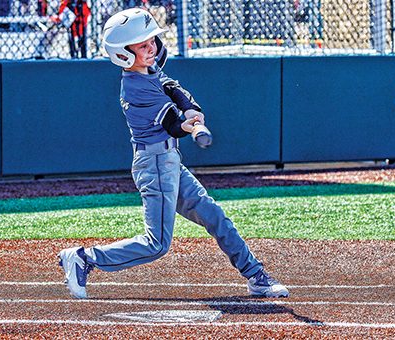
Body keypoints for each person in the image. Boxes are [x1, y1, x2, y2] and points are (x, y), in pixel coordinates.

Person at [57, 8, 289, 299]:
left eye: (152, 40)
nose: (151, 47)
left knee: (214, 216)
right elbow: (172, 124)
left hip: (169, 161)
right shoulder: (134, 87)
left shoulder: (149, 70)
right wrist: (187, 123)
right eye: (142, 45)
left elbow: (172, 87)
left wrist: (192, 109)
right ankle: (84, 258)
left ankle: (255, 275)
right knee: (157, 244)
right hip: (154, 164)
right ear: (123, 53)